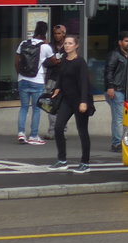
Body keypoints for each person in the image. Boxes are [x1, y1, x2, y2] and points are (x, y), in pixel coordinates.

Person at [47, 33, 94, 174]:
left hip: (80, 100)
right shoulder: (64, 61)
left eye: (70, 43)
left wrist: (84, 102)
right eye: (65, 43)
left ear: (76, 45)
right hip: (66, 100)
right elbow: (61, 77)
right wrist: (57, 89)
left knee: (82, 131)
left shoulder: (80, 62)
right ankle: (62, 160)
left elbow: (85, 83)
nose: (67, 45)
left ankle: (85, 163)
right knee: (58, 127)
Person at [14, 21, 53, 145]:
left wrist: (19, 75)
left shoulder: (23, 43)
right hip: (37, 80)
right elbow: (55, 61)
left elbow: (17, 61)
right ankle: (34, 136)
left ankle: (21, 134)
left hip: (22, 79)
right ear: (45, 32)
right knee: (36, 109)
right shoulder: (45, 47)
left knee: (24, 108)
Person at [103, 31, 128, 152]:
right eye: (126, 41)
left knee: (122, 118)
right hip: (116, 90)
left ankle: (121, 141)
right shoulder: (115, 55)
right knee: (118, 118)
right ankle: (116, 143)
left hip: (126, 90)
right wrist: (110, 87)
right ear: (120, 42)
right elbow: (108, 71)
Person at [41, 22, 67, 140]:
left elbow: (70, 61)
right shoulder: (50, 46)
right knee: (51, 105)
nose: (57, 36)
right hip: (52, 79)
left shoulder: (68, 46)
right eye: (55, 34)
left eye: (59, 33)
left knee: (63, 106)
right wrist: (56, 61)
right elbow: (45, 62)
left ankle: (62, 131)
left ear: (64, 34)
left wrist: (56, 61)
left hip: (65, 79)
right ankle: (52, 131)